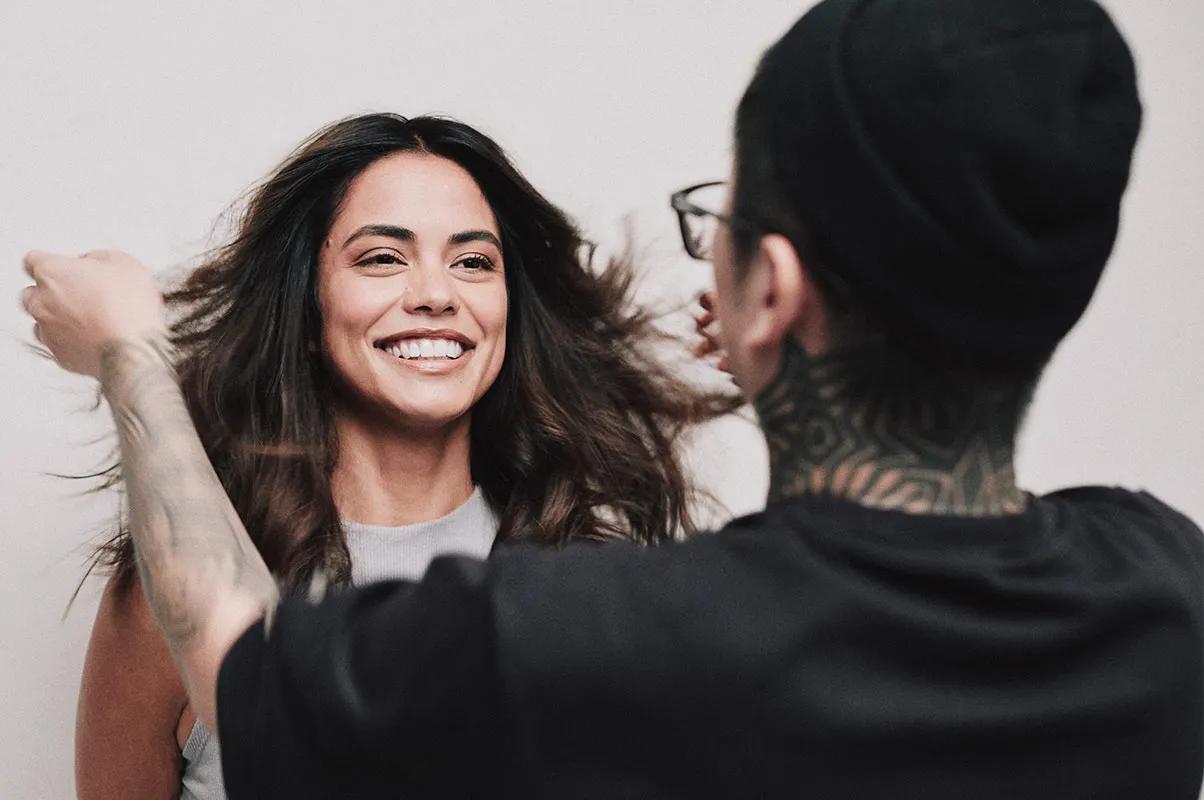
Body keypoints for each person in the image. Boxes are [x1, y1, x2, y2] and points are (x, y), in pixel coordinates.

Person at [22, 0, 1203, 797]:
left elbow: (238, 657)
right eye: (382, 257)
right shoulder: (1163, 590)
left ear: (771, 291)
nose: (433, 290)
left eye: (722, 225)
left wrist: (131, 347)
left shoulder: (598, 631)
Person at [57, 114, 731, 799]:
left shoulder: (592, 583)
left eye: (473, 262)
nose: (437, 295)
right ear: (308, 304)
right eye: (382, 257)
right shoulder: (177, 587)